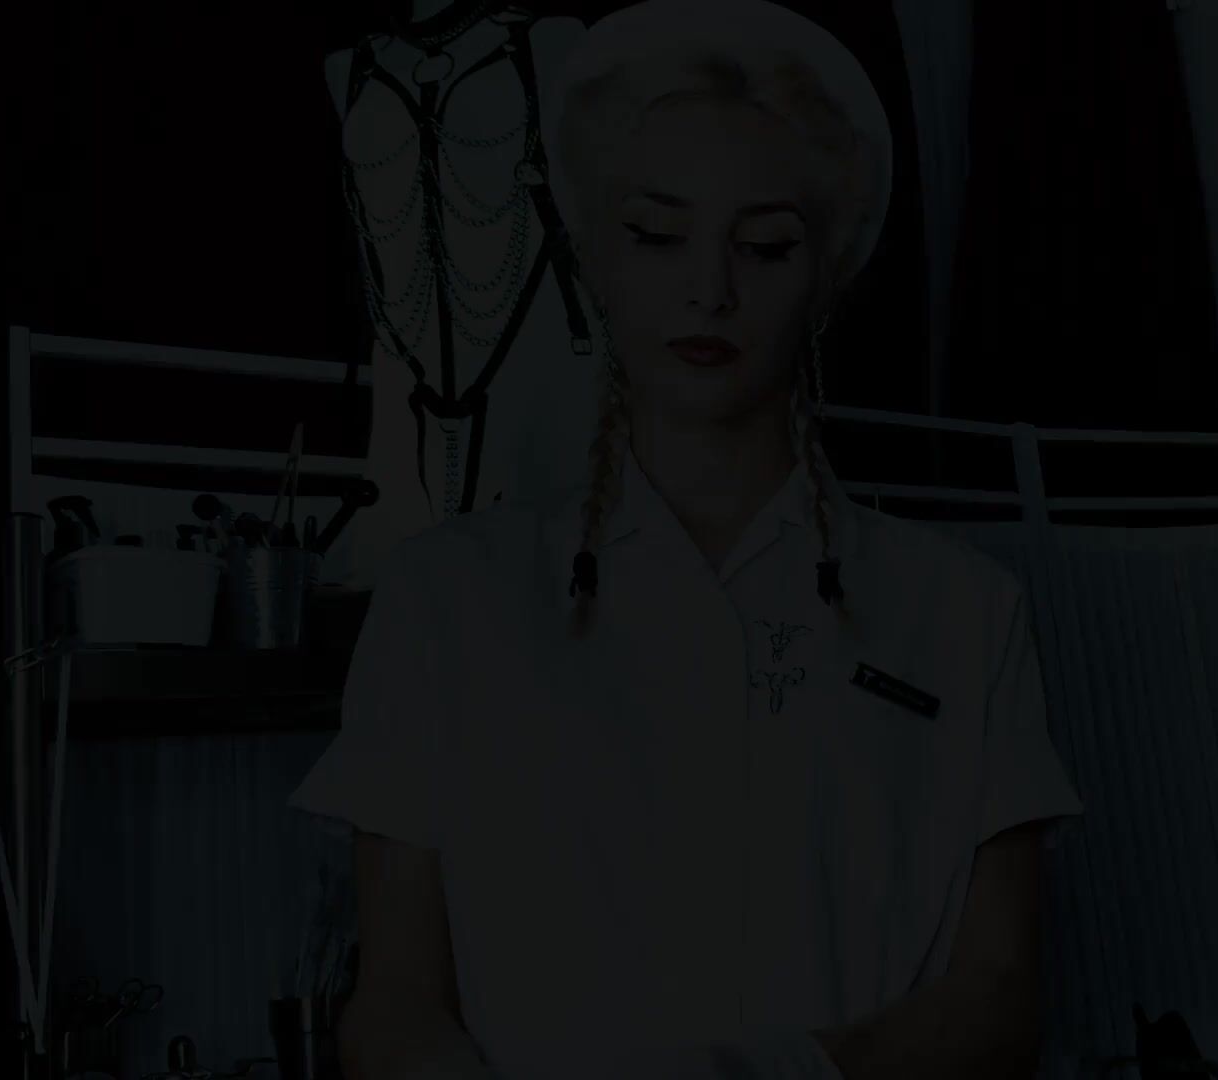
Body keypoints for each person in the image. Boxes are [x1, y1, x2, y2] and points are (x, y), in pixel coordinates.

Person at [288, 3, 1084, 1078]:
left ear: (829, 278)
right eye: (659, 235)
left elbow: (997, 996)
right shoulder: (444, 598)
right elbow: (393, 1005)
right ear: (592, 259)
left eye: (765, 246)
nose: (710, 289)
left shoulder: (966, 614)